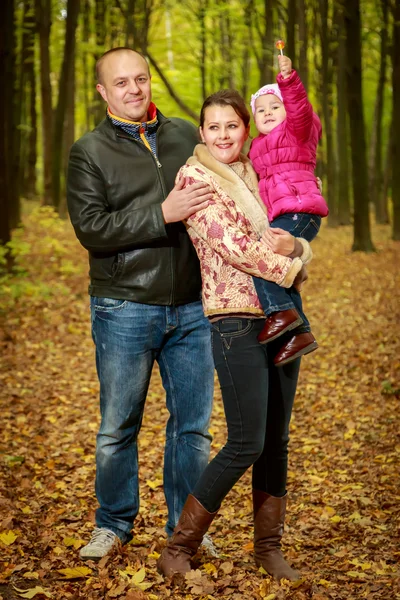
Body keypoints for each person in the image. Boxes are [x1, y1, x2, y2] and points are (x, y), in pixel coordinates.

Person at [67, 47, 217, 561]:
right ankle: (112, 525)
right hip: (124, 306)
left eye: (141, 79)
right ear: (103, 92)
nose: (134, 89)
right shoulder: (88, 151)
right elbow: (93, 230)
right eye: (121, 82)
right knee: (117, 426)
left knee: (193, 427)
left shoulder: (184, 136)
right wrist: (164, 213)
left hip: (195, 307)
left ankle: (189, 529)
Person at [157, 89, 313, 581]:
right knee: (245, 441)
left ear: (246, 129)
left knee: (276, 440)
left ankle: (267, 547)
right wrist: (294, 266)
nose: (224, 135)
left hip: (284, 314)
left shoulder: (259, 174)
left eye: (233, 126)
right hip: (234, 320)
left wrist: (301, 250)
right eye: (214, 127)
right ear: (201, 133)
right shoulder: (196, 177)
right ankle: (179, 547)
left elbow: (290, 228)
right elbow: (237, 247)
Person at [249, 54, 329, 360]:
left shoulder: (296, 131)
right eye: (261, 109)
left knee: (262, 254)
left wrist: (288, 79)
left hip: (301, 210)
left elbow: (300, 110)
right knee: (280, 266)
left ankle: (281, 313)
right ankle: (300, 333)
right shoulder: (257, 146)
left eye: (274, 106)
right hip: (285, 213)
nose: (267, 112)